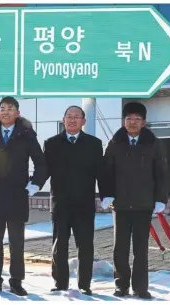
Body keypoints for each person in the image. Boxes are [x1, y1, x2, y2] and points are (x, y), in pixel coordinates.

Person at [0, 96, 47, 296]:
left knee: (17, 242)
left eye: (10, 108)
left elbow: (41, 162)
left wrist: (35, 184)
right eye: (2, 108)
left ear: (17, 113)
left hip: (16, 195)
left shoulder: (27, 135)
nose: (6, 111)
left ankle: (16, 282)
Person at [100, 102, 169, 299]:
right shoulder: (115, 143)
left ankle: (140, 287)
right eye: (129, 118)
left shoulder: (153, 143)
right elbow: (106, 171)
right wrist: (106, 194)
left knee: (141, 249)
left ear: (144, 123)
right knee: (119, 248)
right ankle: (121, 285)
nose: (132, 122)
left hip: (143, 204)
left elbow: (162, 173)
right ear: (124, 121)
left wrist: (160, 199)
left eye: (137, 119)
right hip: (120, 204)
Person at [43, 106, 103, 295]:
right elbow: (44, 170)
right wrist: (32, 185)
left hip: (84, 204)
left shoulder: (94, 144)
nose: (72, 120)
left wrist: (106, 194)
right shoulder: (51, 143)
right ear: (63, 120)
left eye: (77, 117)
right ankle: (60, 282)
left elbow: (101, 172)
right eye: (69, 116)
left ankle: (84, 284)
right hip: (60, 203)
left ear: (83, 121)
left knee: (85, 245)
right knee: (59, 245)